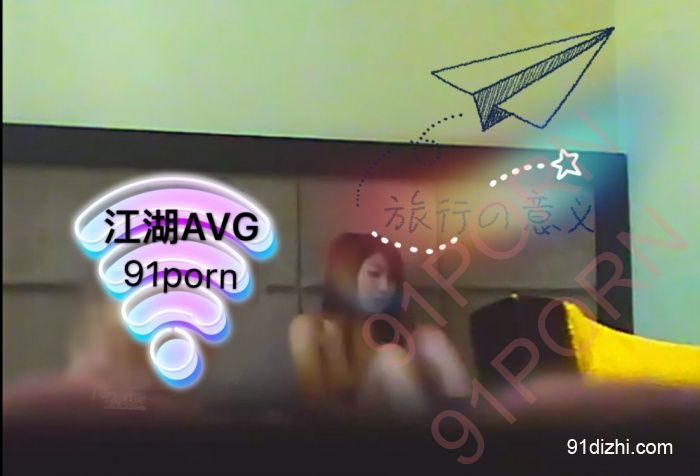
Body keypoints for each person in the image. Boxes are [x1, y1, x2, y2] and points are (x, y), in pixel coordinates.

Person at [289, 232, 471, 415]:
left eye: (391, 279)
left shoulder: (394, 330)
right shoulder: (310, 327)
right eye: (374, 274)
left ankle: (468, 423)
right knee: (390, 357)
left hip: (411, 415)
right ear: (345, 274)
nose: (385, 287)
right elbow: (314, 404)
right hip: (349, 426)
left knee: (429, 337)